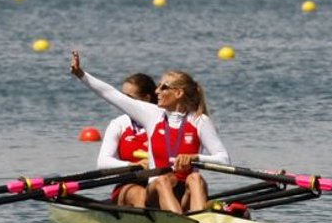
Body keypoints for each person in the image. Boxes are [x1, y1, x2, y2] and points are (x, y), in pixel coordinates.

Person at [70, 51, 230, 214]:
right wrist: (82, 75)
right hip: (155, 191)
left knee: (196, 178)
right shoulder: (152, 115)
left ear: (178, 93)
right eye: (158, 86)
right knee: (163, 180)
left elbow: (224, 160)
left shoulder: (200, 121)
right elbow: (111, 94)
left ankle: (200, 222)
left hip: (185, 192)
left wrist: (195, 158)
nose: (157, 91)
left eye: (163, 87)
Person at [96, 73, 157, 208]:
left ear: (146, 98)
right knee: (140, 194)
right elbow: (102, 162)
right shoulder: (119, 124)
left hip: (161, 183)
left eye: (129, 98)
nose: (123, 102)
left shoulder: (164, 122)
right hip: (129, 185)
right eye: (121, 96)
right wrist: (134, 165)